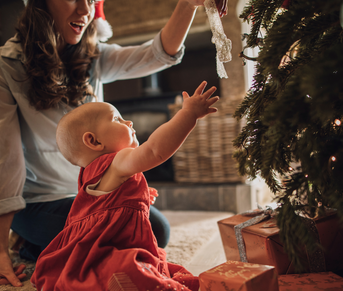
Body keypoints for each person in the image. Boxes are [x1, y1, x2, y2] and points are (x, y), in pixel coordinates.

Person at [0, 0, 228, 287]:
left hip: (92, 195)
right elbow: (3, 155)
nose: (85, 10)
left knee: (156, 229)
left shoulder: (93, 56)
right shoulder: (0, 64)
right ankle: (30, 238)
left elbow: (157, 53)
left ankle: (39, 244)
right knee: (105, 238)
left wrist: (188, 2)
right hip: (37, 202)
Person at [31, 81, 218, 290]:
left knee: (148, 263)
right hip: (107, 247)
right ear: (93, 141)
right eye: (116, 119)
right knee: (130, 271)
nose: (128, 121)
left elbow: (107, 203)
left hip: (105, 241)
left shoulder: (90, 172)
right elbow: (154, 150)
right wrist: (188, 115)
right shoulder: (117, 161)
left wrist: (139, 195)